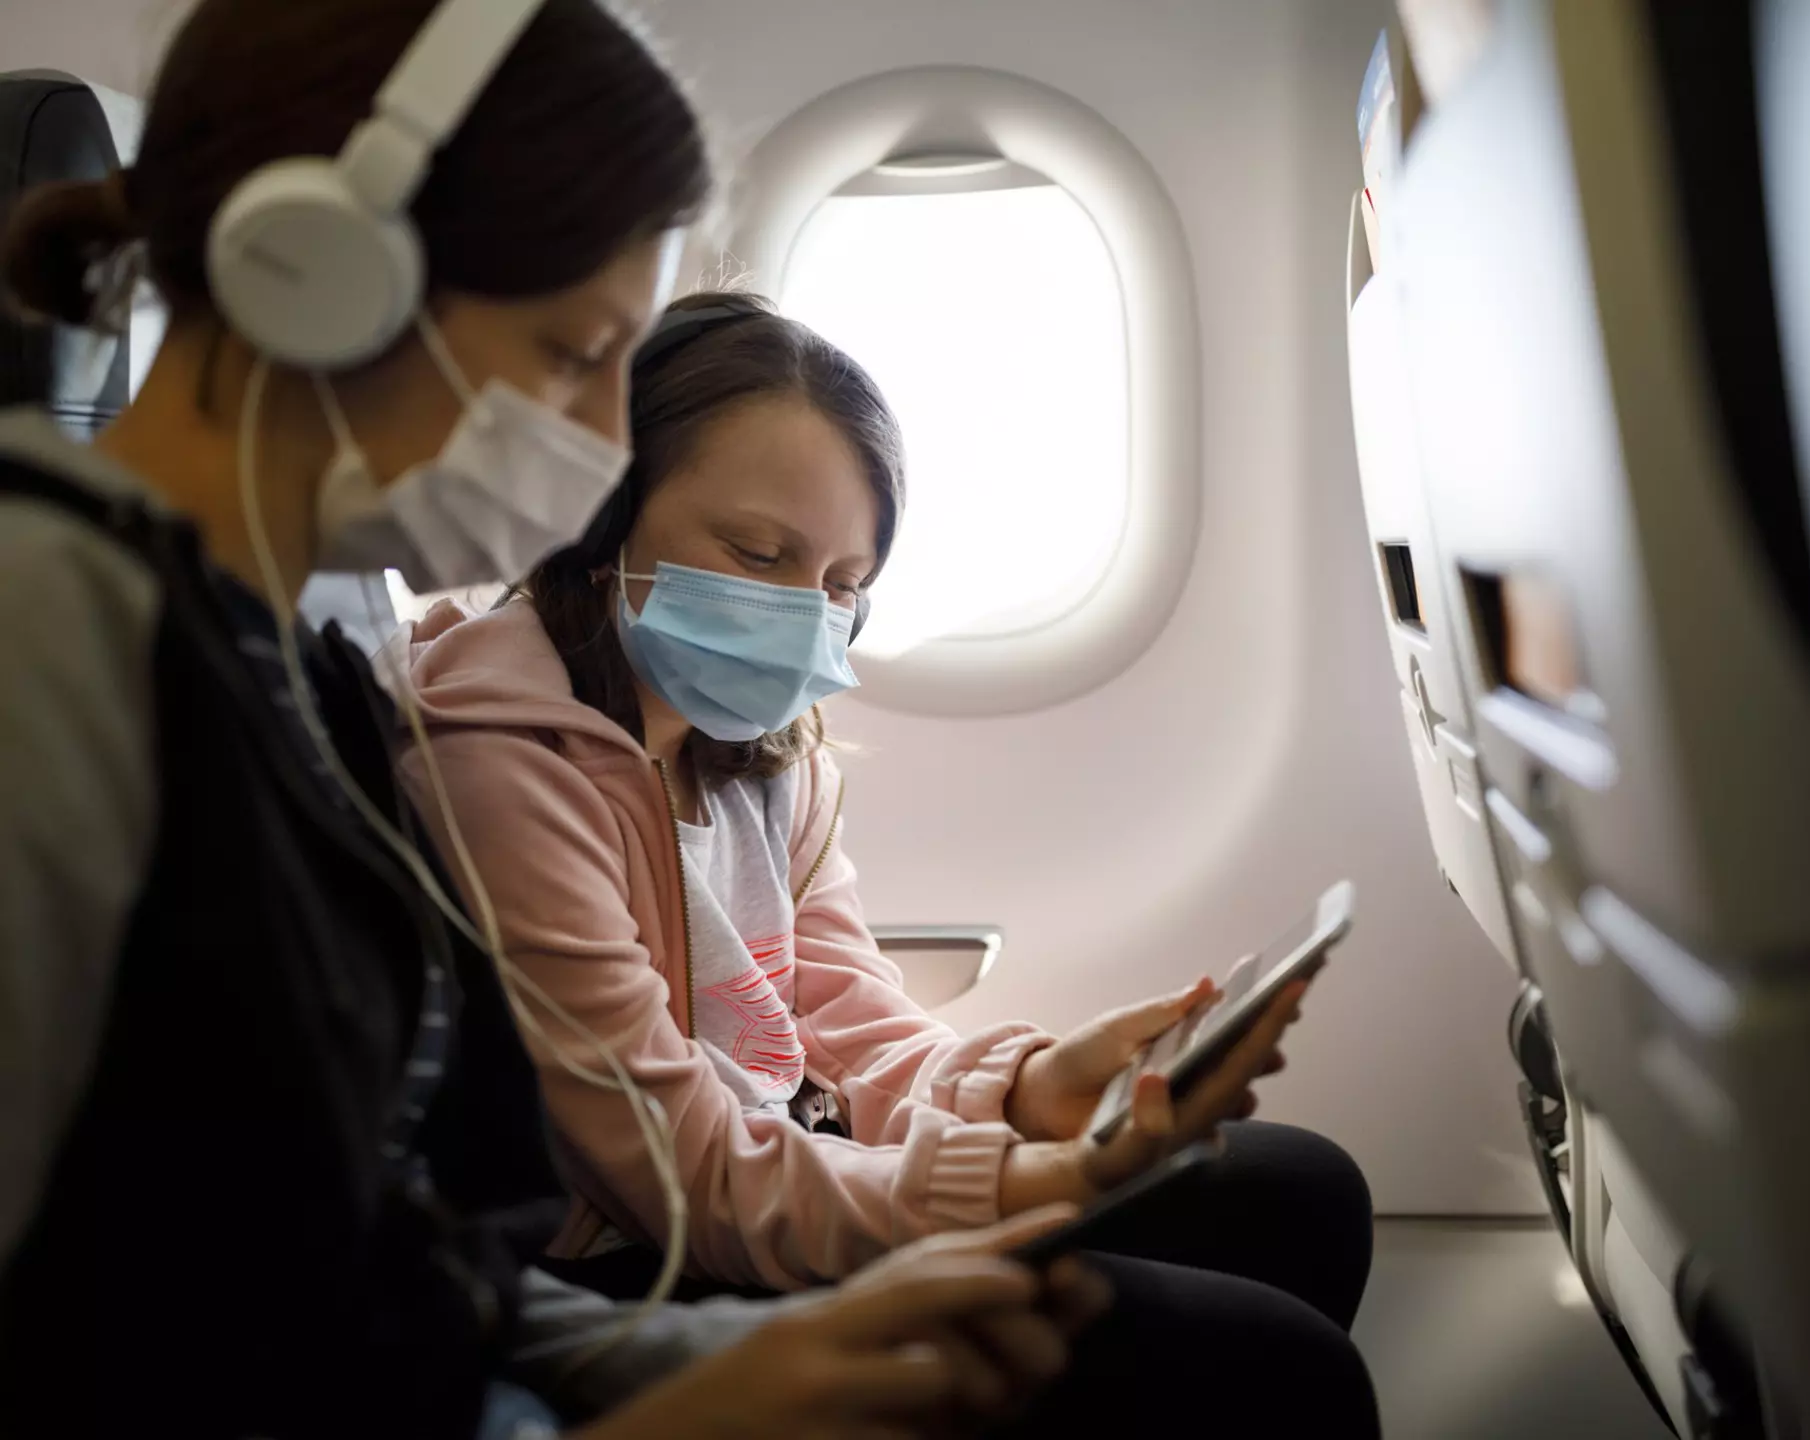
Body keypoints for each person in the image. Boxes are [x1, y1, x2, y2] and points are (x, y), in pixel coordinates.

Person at [0, 2, 1108, 1436]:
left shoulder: (297, 657)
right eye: (575, 354)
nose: (601, 452)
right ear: (328, 277)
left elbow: (384, 1268)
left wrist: (694, 1376)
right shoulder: (50, 634)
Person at [399, 291, 1382, 1433]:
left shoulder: (760, 759)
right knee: (1275, 1371)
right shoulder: (501, 765)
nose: (800, 616)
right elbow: (689, 1181)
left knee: (1300, 1192)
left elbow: (850, 1028)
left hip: (783, 1171)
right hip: (639, 1256)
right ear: (602, 513)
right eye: (756, 552)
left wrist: (1030, 1089)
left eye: (838, 586)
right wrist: (1019, 1182)